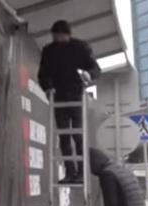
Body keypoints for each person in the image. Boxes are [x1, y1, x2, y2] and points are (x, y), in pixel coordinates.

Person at [38, 20, 101, 183]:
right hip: (58, 96)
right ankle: (70, 172)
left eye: (60, 36)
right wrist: (48, 87)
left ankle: (81, 172)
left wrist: (89, 74)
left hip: (75, 96)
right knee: (64, 136)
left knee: (77, 134)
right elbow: (43, 73)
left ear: (67, 34)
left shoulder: (80, 47)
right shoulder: (48, 51)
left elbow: (96, 68)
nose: (57, 39)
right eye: (55, 36)